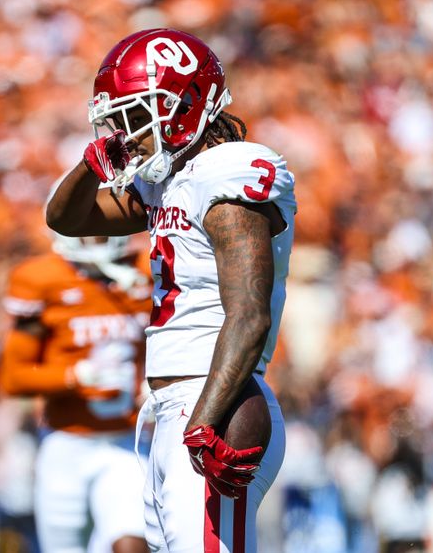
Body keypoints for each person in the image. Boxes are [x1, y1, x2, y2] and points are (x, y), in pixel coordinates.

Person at [46, 28, 296, 552]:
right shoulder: (168, 180)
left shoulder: (228, 174)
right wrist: (94, 164)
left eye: (137, 117)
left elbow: (249, 315)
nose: (127, 134)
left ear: (185, 103)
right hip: (168, 408)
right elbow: (65, 218)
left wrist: (204, 421)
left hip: (214, 402)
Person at [0, 232, 152, 553]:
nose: (100, 233)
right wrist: (72, 377)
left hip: (126, 443)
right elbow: (14, 378)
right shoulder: (42, 279)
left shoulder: (147, 272)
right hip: (66, 442)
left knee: (133, 543)